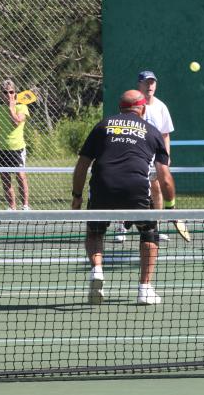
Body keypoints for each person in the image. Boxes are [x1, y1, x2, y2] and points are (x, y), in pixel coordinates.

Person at [72, 89, 176, 306]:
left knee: (94, 232)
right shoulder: (153, 131)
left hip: (102, 187)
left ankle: (97, 271)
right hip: (136, 188)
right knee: (149, 234)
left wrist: (77, 196)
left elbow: (82, 164)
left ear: (120, 107)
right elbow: (164, 177)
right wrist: (171, 206)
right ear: (143, 108)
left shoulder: (102, 126)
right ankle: (145, 289)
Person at [114, 70, 175, 243]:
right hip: (133, 157)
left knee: (156, 190)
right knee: (128, 190)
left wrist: (166, 156)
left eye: (152, 82)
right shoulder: (131, 105)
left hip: (153, 158)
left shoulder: (161, 107)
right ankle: (121, 228)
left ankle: (155, 228)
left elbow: (165, 135)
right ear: (139, 85)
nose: (150, 86)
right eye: (146, 82)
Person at [0, 79, 30, 210]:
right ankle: (12, 207)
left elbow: (16, 122)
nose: (8, 95)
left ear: (15, 93)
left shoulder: (22, 107)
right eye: (5, 92)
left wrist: (11, 107)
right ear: (1, 94)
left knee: (21, 177)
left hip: (17, 148)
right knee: (5, 179)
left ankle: (25, 206)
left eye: (11, 92)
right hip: (1, 148)